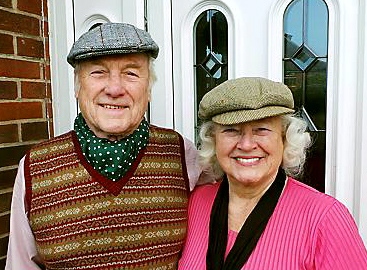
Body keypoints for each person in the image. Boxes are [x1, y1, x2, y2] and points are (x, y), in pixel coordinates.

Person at [5, 22, 207, 269]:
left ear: (149, 89)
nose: (114, 89)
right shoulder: (35, 167)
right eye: (98, 72)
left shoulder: (182, 154)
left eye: (131, 73)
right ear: (77, 87)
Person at [178, 77, 367, 270]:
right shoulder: (196, 203)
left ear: (284, 138)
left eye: (261, 129)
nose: (246, 144)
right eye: (231, 130)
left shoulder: (325, 218)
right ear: (213, 139)